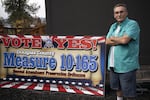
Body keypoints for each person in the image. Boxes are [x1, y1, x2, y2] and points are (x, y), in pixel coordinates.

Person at [106, 3, 140, 100]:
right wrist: (119, 39)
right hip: (113, 64)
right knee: (118, 88)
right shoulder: (113, 26)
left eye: (121, 12)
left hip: (126, 64)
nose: (119, 14)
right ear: (114, 15)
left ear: (126, 13)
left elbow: (125, 41)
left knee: (129, 92)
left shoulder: (132, 24)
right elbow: (107, 41)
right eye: (116, 12)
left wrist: (114, 39)